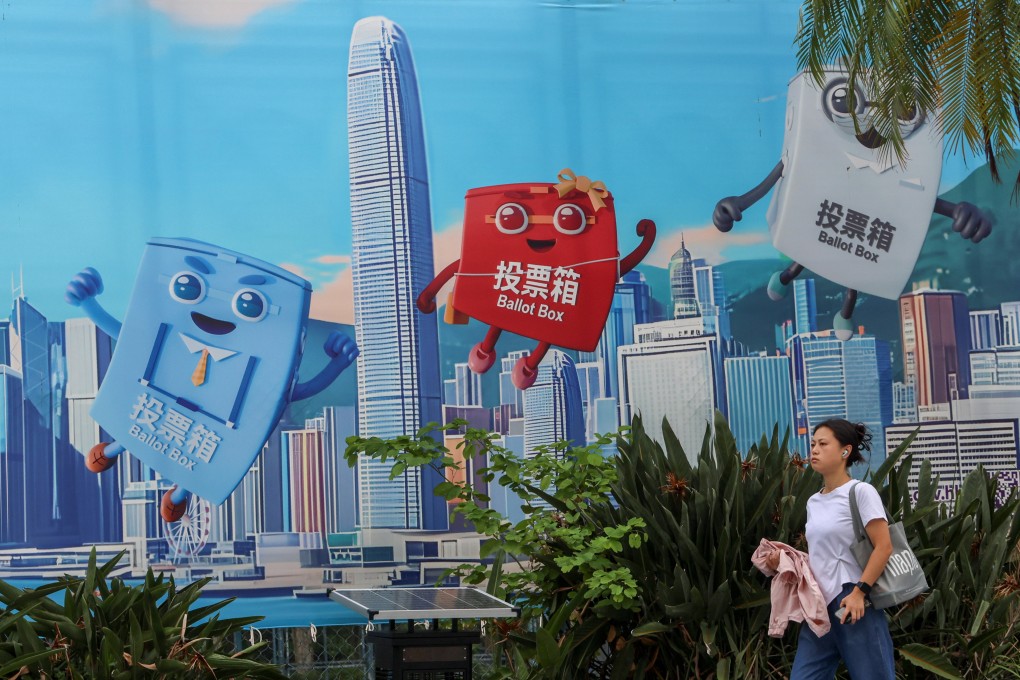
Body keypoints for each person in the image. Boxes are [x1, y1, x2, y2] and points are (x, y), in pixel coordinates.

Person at [766, 419, 895, 679]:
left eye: (823, 444)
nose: (814, 449)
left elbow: (884, 546)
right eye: (813, 444)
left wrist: (860, 592)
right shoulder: (814, 501)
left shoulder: (861, 492)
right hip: (818, 607)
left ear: (845, 451)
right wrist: (782, 562)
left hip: (853, 602)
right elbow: (822, 555)